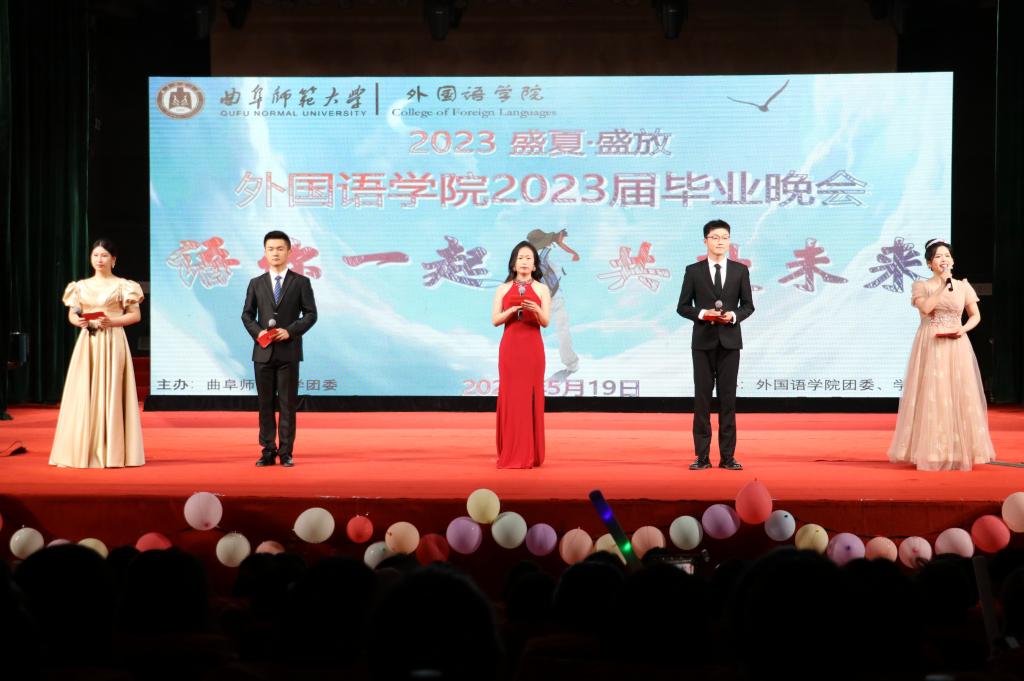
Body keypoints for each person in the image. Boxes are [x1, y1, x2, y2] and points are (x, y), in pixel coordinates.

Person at [887, 239, 995, 471]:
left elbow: (975, 315)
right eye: (937, 257)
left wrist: (963, 329)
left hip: (957, 343)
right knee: (933, 394)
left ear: (953, 261)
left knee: (959, 392)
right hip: (931, 342)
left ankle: (959, 449)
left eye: (947, 255)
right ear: (929, 263)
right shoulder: (921, 285)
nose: (943, 259)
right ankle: (931, 450)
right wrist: (942, 285)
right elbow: (926, 309)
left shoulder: (963, 286)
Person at [50, 239, 145, 468]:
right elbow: (73, 313)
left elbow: (135, 315)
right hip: (89, 342)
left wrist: (113, 321)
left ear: (114, 259)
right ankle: (84, 448)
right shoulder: (80, 286)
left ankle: (113, 451)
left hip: (113, 341)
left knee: (112, 390)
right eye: (95, 255)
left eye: (104, 255)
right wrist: (77, 321)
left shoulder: (124, 285)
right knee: (84, 389)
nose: (99, 260)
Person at [676, 219, 755, 471]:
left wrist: (733, 316)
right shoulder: (693, 271)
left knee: (728, 400)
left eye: (724, 237)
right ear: (705, 241)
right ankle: (702, 457)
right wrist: (703, 314)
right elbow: (682, 307)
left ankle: (728, 457)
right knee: (702, 400)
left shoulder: (740, 271)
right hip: (702, 343)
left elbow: (748, 306)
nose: (720, 242)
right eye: (715, 237)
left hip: (730, 343)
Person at [241, 230, 318, 467]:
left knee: (287, 404)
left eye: (280, 249)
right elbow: (247, 315)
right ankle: (267, 450)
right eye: (271, 249)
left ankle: (286, 452)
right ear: (265, 252)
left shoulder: (301, 282)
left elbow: (311, 314)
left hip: (288, 352)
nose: (275, 253)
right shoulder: (256, 283)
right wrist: (258, 332)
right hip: (262, 353)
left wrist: (291, 331)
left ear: (289, 251)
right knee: (264, 404)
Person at [492, 241, 551, 469]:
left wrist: (535, 310)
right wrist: (511, 310)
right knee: (511, 398)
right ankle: (511, 450)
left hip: (532, 349)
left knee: (530, 398)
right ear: (513, 263)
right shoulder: (502, 288)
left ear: (535, 264)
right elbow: (495, 320)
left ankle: (531, 453)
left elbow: (545, 322)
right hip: (510, 349)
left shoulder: (542, 289)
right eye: (520, 258)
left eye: (528, 258)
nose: (524, 262)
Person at [527, 228, 580, 382]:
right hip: (555, 299)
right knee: (562, 331)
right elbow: (572, 258)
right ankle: (572, 364)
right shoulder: (549, 255)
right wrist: (561, 242)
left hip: (539, 302)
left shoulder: (529, 259)